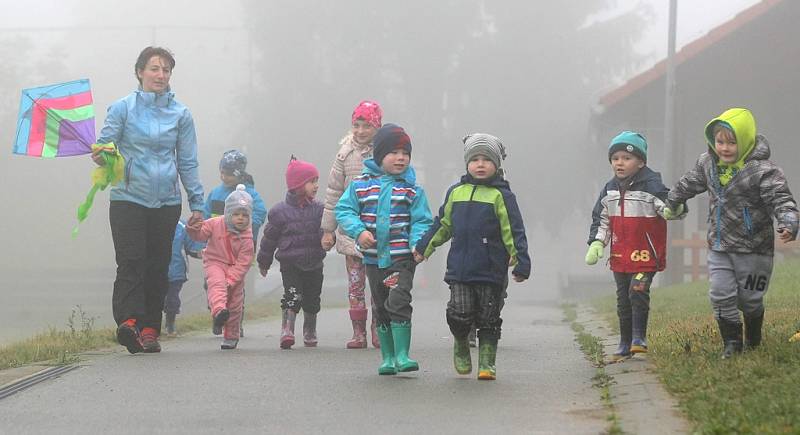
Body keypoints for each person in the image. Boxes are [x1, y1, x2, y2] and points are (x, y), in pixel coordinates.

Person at [93, 46, 204, 354]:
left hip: (167, 202)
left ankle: (150, 328)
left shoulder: (181, 114)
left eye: (166, 69)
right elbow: (106, 148)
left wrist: (198, 204)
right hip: (128, 198)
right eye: (154, 68)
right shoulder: (122, 109)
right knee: (130, 261)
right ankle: (128, 322)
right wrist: (102, 156)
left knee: (158, 265)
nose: (161, 74)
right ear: (140, 71)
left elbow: (188, 161)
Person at [667, 108, 798, 358]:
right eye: (719, 141)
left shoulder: (763, 171)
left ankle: (754, 336)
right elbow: (691, 181)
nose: (724, 148)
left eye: (731, 142)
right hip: (719, 245)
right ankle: (732, 344)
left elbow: (781, 199)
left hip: (754, 248)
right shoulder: (708, 164)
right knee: (720, 293)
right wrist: (673, 199)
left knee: (750, 300)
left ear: (746, 141)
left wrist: (789, 220)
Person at [414, 133, 530, 380]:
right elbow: (443, 225)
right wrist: (424, 247)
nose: (480, 164)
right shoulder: (456, 192)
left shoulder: (502, 196)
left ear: (497, 165)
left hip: (490, 269)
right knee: (459, 312)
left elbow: (514, 230)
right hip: (460, 268)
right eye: (475, 159)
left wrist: (520, 259)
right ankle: (461, 342)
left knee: (489, 317)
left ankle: (487, 361)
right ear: (467, 163)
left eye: (486, 160)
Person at [336, 123, 433, 375]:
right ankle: (388, 357)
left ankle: (403, 355)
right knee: (380, 306)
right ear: (379, 155)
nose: (401, 158)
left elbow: (422, 220)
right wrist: (359, 231)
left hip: (402, 259)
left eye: (405, 153)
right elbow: (344, 210)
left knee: (398, 301)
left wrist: (417, 244)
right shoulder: (360, 185)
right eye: (394, 152)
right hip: (373, 259)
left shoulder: (412, 190)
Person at [585, 131, 681, 362]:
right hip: (620, 254)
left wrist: (673, 209)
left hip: (645, 253)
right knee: (623, 299)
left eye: (626, 158)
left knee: (637, 291)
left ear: (641, 162)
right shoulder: (608, 190)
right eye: (615, 158)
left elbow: (667, 205)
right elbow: (602, 219)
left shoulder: (652, 185)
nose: (620, 162)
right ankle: (625, 342)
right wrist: (597, 242)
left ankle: (639, 338)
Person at [321, 100, 383, 349]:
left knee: (379, 285)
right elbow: (333, 192)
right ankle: (358, 333)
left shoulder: (386, 153)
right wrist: (328, 230)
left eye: (366, 125)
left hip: (379, 232)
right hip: (350, 231)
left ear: (376, 126)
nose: (360, 130)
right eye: (356, 125)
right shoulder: (344, 154)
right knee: (355, 285)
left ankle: (379, 329)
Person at [257, 156, 326, 349]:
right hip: (290, 264)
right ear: (297, 185)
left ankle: (310, 329)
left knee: (312, 300)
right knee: (292, 295)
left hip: (314, 263)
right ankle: (287, 328)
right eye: (312, 181)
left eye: (317, 181)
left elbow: (325, 231)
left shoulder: (319, 209)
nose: (316, 186)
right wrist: (264, 262)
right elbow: (269, 240)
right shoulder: (280, 212)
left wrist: (328, 239)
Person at [204, 149, 267, 336]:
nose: (225, 176)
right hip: (217, 247)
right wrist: (200, 242)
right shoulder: (215, 194)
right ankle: (217, 314)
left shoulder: (250, 194)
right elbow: (206, 218)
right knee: (212, 283)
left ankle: (234, 321)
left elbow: (260, 213)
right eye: (222, 172)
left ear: (238, 174)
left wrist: (246, 226)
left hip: (241, 247)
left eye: (229, 173)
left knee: (236, 285)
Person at [187, 185, 255, 350]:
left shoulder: (247, 238)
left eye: (245, 215)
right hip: (215, 262)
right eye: (236, 214)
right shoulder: (215, 223)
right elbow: (200, 234)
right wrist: (193, 228)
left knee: (235, 304)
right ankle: (218, 311)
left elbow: (244, 262)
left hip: (235, 272)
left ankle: (231, 336)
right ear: (228, 213)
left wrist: (231, 279)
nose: (240, 218)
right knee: (217, 284)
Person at [164, 219, 204, 337]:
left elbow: (192, 247)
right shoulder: (152, 223)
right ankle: (150, 328)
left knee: (172, 299)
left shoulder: (182, 227)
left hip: (176, 271)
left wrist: (201, 252)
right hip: (156, 271)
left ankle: (170, 324)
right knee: (156, 299)